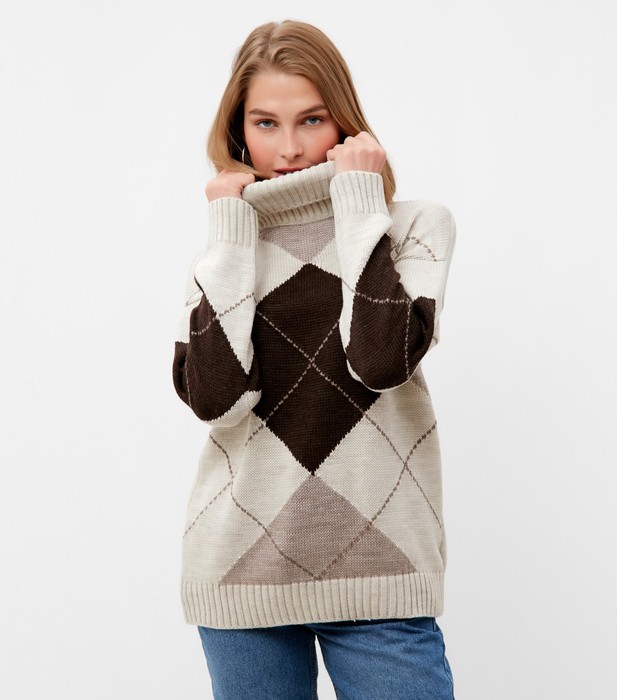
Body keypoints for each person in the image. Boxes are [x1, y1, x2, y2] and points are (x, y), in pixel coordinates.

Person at [172, 19, 457, 700]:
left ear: (346, 124)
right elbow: (217, 399)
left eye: (312, 120)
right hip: (239, 568)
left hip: (381, 569)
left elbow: (379, 361)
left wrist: (359, 201)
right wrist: (232, 236)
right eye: (266, 124)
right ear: (238, 131)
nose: (291, 148)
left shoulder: (413, 227)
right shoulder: (222, 252)